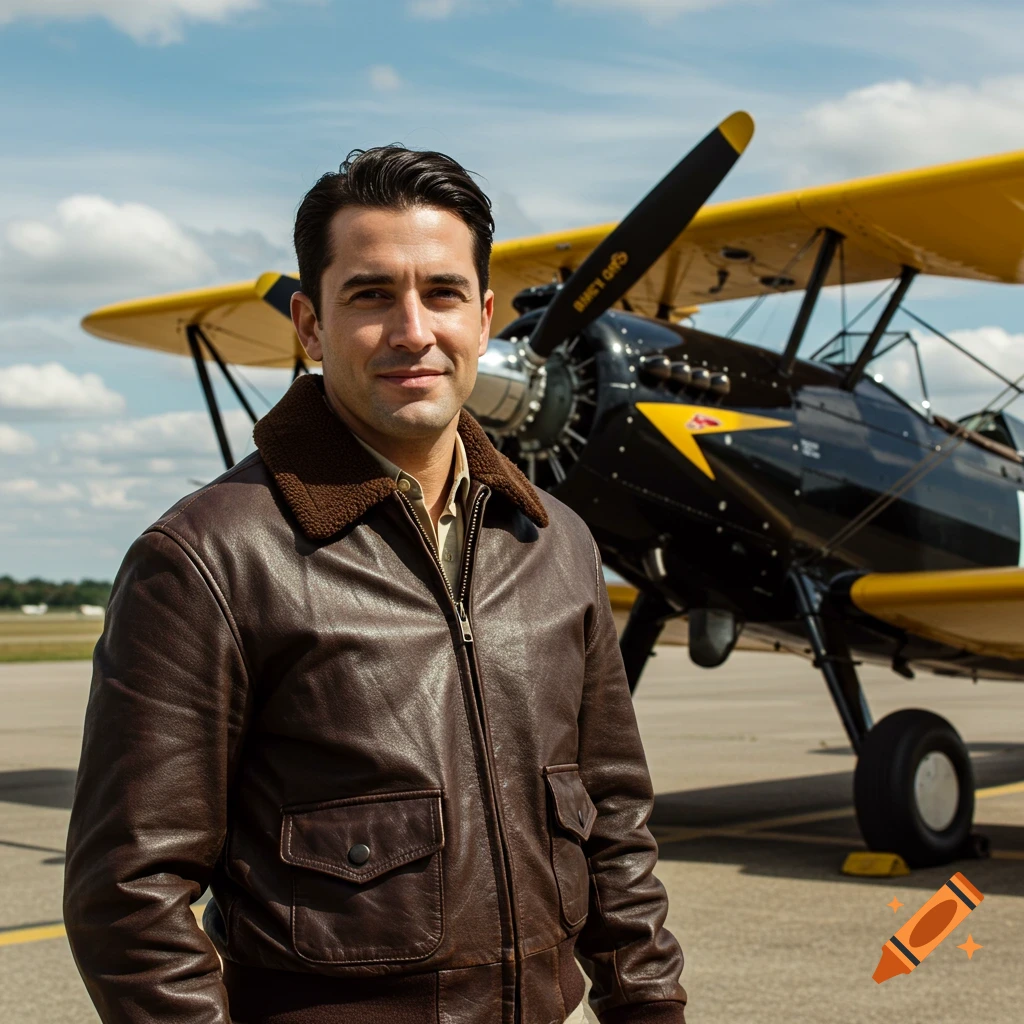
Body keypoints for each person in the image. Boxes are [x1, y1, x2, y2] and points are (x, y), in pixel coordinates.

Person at [64, 145, 687, 1024]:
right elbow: (126, 896)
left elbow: (616, 833)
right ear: (310, 327)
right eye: (370, 295)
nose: (412, 330)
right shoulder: (208, 557)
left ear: (484, 317)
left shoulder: (556, 543)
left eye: (440, 293)